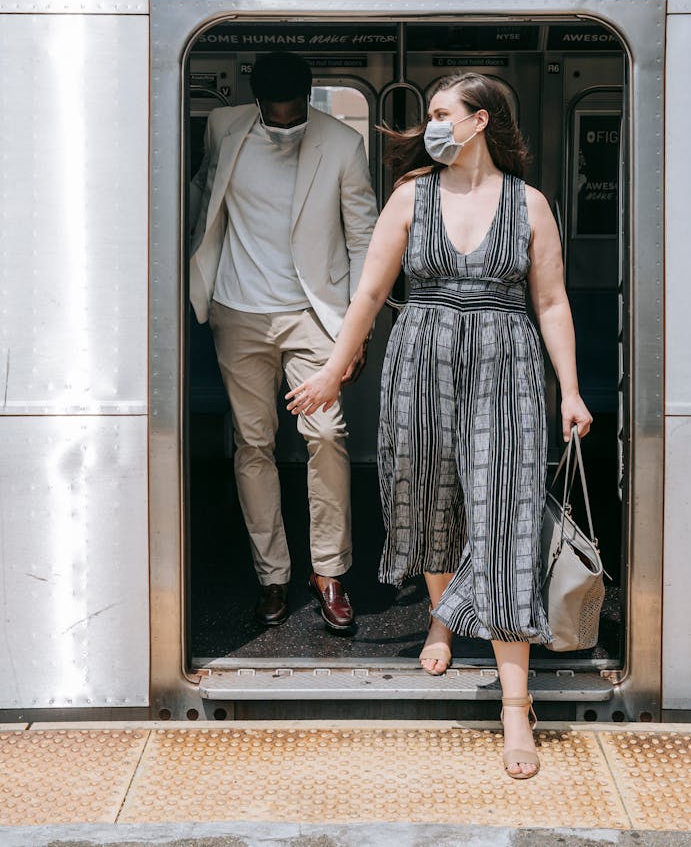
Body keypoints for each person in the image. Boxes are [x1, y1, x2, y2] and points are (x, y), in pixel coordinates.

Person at [286, 72, 592, 779]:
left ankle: (516, 705)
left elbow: (550, 302)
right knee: (427, 498)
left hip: (508, 368)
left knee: (510, 515)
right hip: (420, 360)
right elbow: (368, 292)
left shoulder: (529, 204)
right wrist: (334, 371)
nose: (431, 124)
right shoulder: (410, 196)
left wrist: (569, 389)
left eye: (440, 113)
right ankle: (441, 616)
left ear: (480, 120)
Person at [189, 51, 378, 633]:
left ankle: (329, 572)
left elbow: (363, 239)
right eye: (276, 114)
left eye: (295, 112)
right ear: (255, 99)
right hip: (237, 311)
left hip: (312, 316)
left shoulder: (342, 145)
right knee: (253, 444)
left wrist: (354, 329)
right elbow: (202, 202)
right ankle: (271, 574)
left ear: (310, 94)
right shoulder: (224, 129)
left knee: (326, 435)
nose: (286, 122)